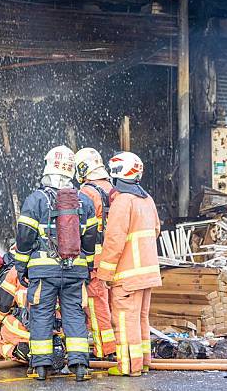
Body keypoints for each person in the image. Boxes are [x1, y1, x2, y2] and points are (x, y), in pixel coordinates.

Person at [14, 145, 97, 381]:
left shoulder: (36, 200)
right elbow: (91, 239)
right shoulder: (85, 202)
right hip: (75, 271)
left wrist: (21, 266)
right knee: (74, 315)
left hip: (43, 271)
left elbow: (24, 236)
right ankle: (80, 365)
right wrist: (87, 267)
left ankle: (41, 367)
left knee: (41, 315)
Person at [96, 152, 161, 377]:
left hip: (127, 276)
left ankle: (127, 366)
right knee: (141, 318)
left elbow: (114, 241)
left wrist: (104, 274)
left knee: (124, 321)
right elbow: (156, 230)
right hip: (148, 273)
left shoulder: (123, 202)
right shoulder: (147, 199)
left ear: (116, 174)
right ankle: (143, 362)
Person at [73, 147, 116, 359]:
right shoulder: (114, 190)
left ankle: (105, 350)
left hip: (95, 259)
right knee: (113, 304)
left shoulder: (86, 193)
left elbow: (81, 229)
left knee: (96, 303)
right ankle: (119, 346)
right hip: (115, 258)